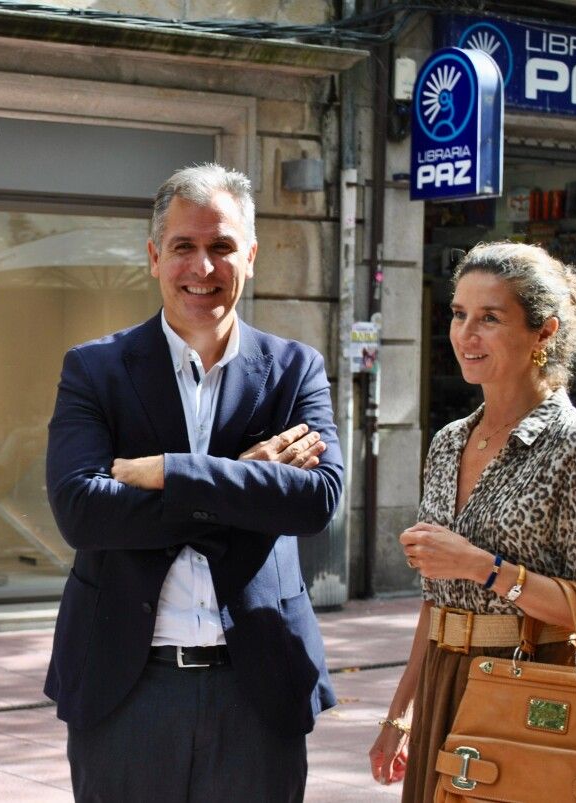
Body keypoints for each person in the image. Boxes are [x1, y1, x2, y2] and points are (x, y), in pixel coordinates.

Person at [45, 163, 344, 802]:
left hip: (258, 688)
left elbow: (318, 501)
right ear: (155, 256)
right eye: (184, 246)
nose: (202, 268)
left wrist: (171, 473)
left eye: (221, 247)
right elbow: (81, 511)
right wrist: (247, 480)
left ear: (252, 256)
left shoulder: (294, 371)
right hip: (127, 690)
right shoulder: (96, 370)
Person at [369, 242, 576, 801]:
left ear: (544, 333)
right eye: (459, 314)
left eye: (490, 318)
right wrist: (400, 715)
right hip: (446, 678)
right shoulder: (448, 442)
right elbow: (435, 599)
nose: (466, 334)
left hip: (531, 685)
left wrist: (482, 566)